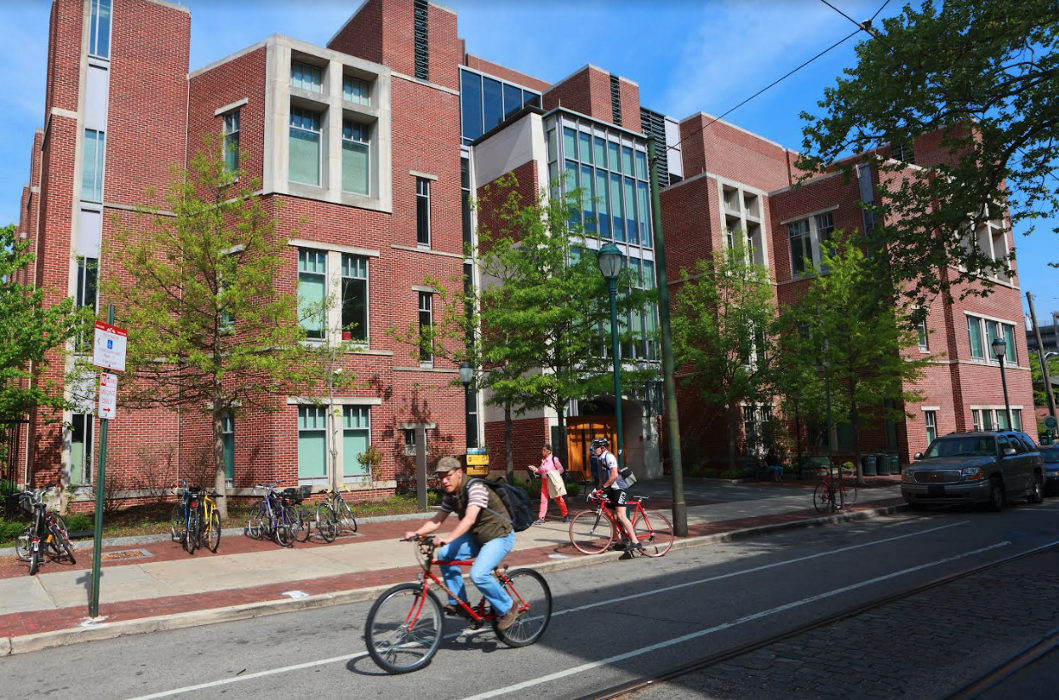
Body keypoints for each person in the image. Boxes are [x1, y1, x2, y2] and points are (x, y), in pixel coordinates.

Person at [404, 456, 521, 630]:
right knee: (445, 555)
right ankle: (460, 603)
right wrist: (417, 533)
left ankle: (509, 607)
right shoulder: (452, 495)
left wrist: (447, 539)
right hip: (478, 536)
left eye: (447, 475)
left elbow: (469, 519)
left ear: (459, 473)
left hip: (499, 536)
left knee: (479, 574)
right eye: (440, 477)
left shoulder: (476, 488)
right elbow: (437, 520)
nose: (444, 480)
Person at [592, 437, 642, 558]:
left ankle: (635, 542)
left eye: (595, 447)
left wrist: (604, 487)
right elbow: (601, 476)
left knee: (620, 515)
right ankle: (619, 541)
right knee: (609, 514)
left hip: (619, 488)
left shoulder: (609, 456)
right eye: (593, 447)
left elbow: (614, 475)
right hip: (611, 489)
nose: (593, 450)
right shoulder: (599, 459)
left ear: (602, 448)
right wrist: (598, 490)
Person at [528, 443, 569, 525]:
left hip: (552, 482)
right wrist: (535, 469)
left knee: (558, 499)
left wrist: (552, 474)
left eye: (544, 450)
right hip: (544, 482)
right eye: (542, 450)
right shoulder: (543, 461)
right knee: (543, 500)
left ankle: (566, 515)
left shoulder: (554, 459)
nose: (542, 452)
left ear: (549, 451)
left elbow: (561, 469)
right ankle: (541, 518)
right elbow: (540, 471)